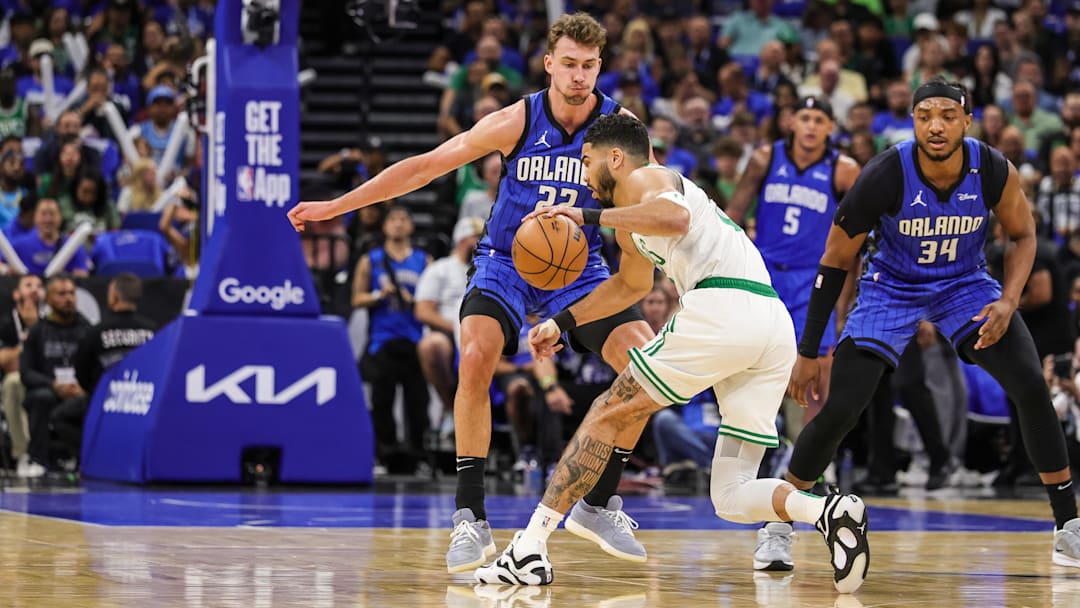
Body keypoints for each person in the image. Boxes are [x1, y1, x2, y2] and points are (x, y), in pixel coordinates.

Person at [288, 13, 655, 574]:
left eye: (589, 66)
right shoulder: (517, 119)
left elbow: (649, 202)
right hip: (508, 259)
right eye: (569, 65)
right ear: (550, 64)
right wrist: (337, 207)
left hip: (580, 266)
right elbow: (429, 166)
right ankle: (470, 514)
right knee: (476, 353)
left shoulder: (619, 127)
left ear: (599, 66)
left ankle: (599, 500)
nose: (579, 77)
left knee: (645, 362)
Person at [474, 113, 869, 594]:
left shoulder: (648, 178)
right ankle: (828, 511)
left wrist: (585, 216)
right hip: (769, 324)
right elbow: (629, 286)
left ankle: (529, 549)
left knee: (608, 410)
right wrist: (561, 322)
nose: (581, 174)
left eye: (586, 160)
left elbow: (674, 217)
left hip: (722, 307)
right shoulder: (632, 221)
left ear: (614, 158)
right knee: (730, 494)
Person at [785, 78, 1080, 569]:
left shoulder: (991, 168)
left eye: (947, 115)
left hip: (965, 284)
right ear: (913, 120)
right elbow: (835, 262)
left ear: (968, 120)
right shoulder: (884, 174)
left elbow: (1024, 235)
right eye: (925, 115)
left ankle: (1067, 525)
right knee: (841, 408)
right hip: (891, 287)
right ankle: (777, 525)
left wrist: (1008, 301)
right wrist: (810, 350)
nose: (935, 125)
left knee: (1030, 382)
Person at [724, 96, 860, 571]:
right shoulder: (765, 158)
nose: (810, 126)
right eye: (804, 117)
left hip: (812, 281)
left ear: (829, 127)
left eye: (819, 119)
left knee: (814, 381)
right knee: (753, 373)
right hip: (762, 274)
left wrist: (843, 301)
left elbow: (855, 241)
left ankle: (808, 465)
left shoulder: (843, 171)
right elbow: (734, 214)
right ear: (791, 122)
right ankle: (756, 467)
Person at [54, 273, 155, 466]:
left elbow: (82, 371)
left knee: (60, 417)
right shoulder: (152, 331)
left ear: (114, 296)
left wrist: (94, 392)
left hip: (105, 401)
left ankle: (92, 457)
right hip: (144, 402)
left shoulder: (97, 332)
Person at [18, 274, 91, 475]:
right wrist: (53, 384)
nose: (68, 298)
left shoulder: (86, 329)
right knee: (41, 397)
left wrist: (82, 386)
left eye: (71, 293)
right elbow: (26, 372)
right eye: (61, 294)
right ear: (48, 299)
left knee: (92, 400)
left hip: (78, 391)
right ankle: (38, 459)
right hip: (48, 390)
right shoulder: (38, 331)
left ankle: (82, 458)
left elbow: (96, 368)